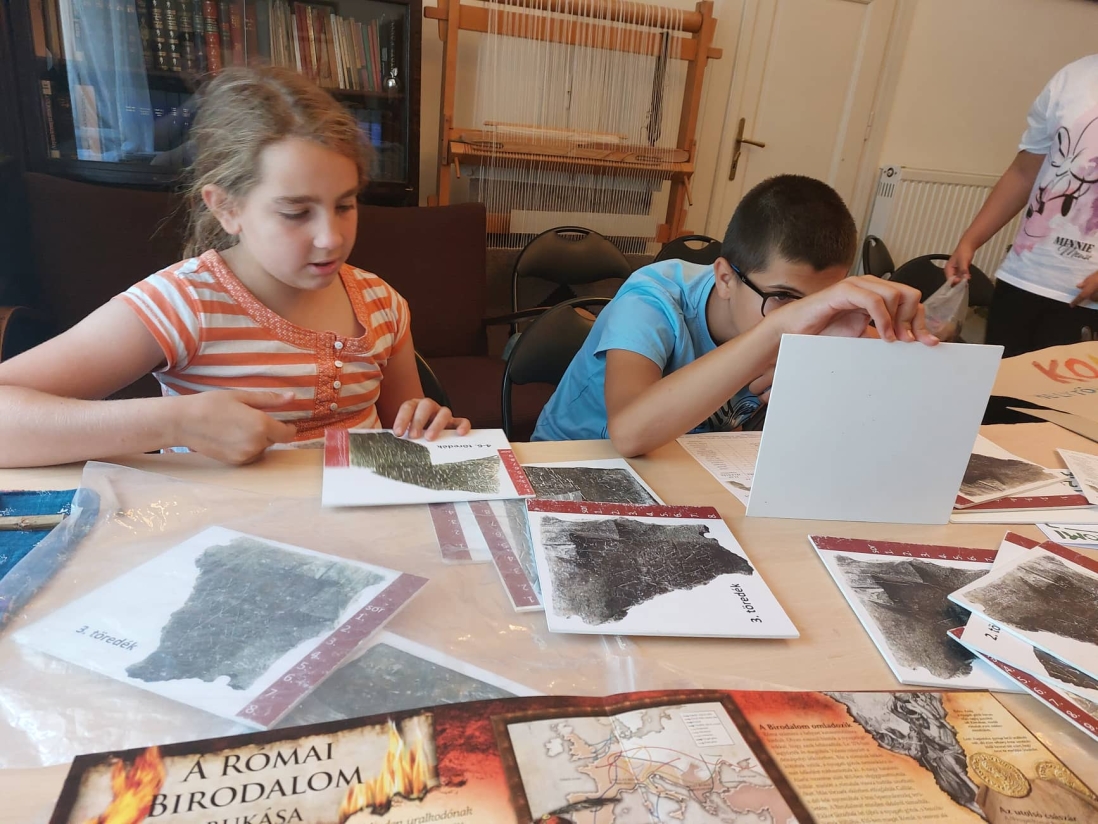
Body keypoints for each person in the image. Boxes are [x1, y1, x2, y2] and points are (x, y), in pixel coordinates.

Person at [0, 67, 468, 468]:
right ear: (226, 208)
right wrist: (174, 422)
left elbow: (406, 430)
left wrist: (429, 424)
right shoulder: (183, 304)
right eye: (295, 213)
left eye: (345, 205)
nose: (331, 238)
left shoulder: (382, 304)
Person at [531, 175, 937, 457]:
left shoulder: (809, 319)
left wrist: (888, 349)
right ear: (725, 278)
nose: (807, 323)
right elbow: (629, 434)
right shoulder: (651, 298)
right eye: (784, 298)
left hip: (686, 464)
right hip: (571, 463)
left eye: (822, 302)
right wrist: (778, 330)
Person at [946, 54, 1098, 357]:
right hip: (1021, 280)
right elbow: (1024, 172)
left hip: (1086, 301)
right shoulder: (1072, 77)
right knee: (999, 385)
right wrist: (970, 240)